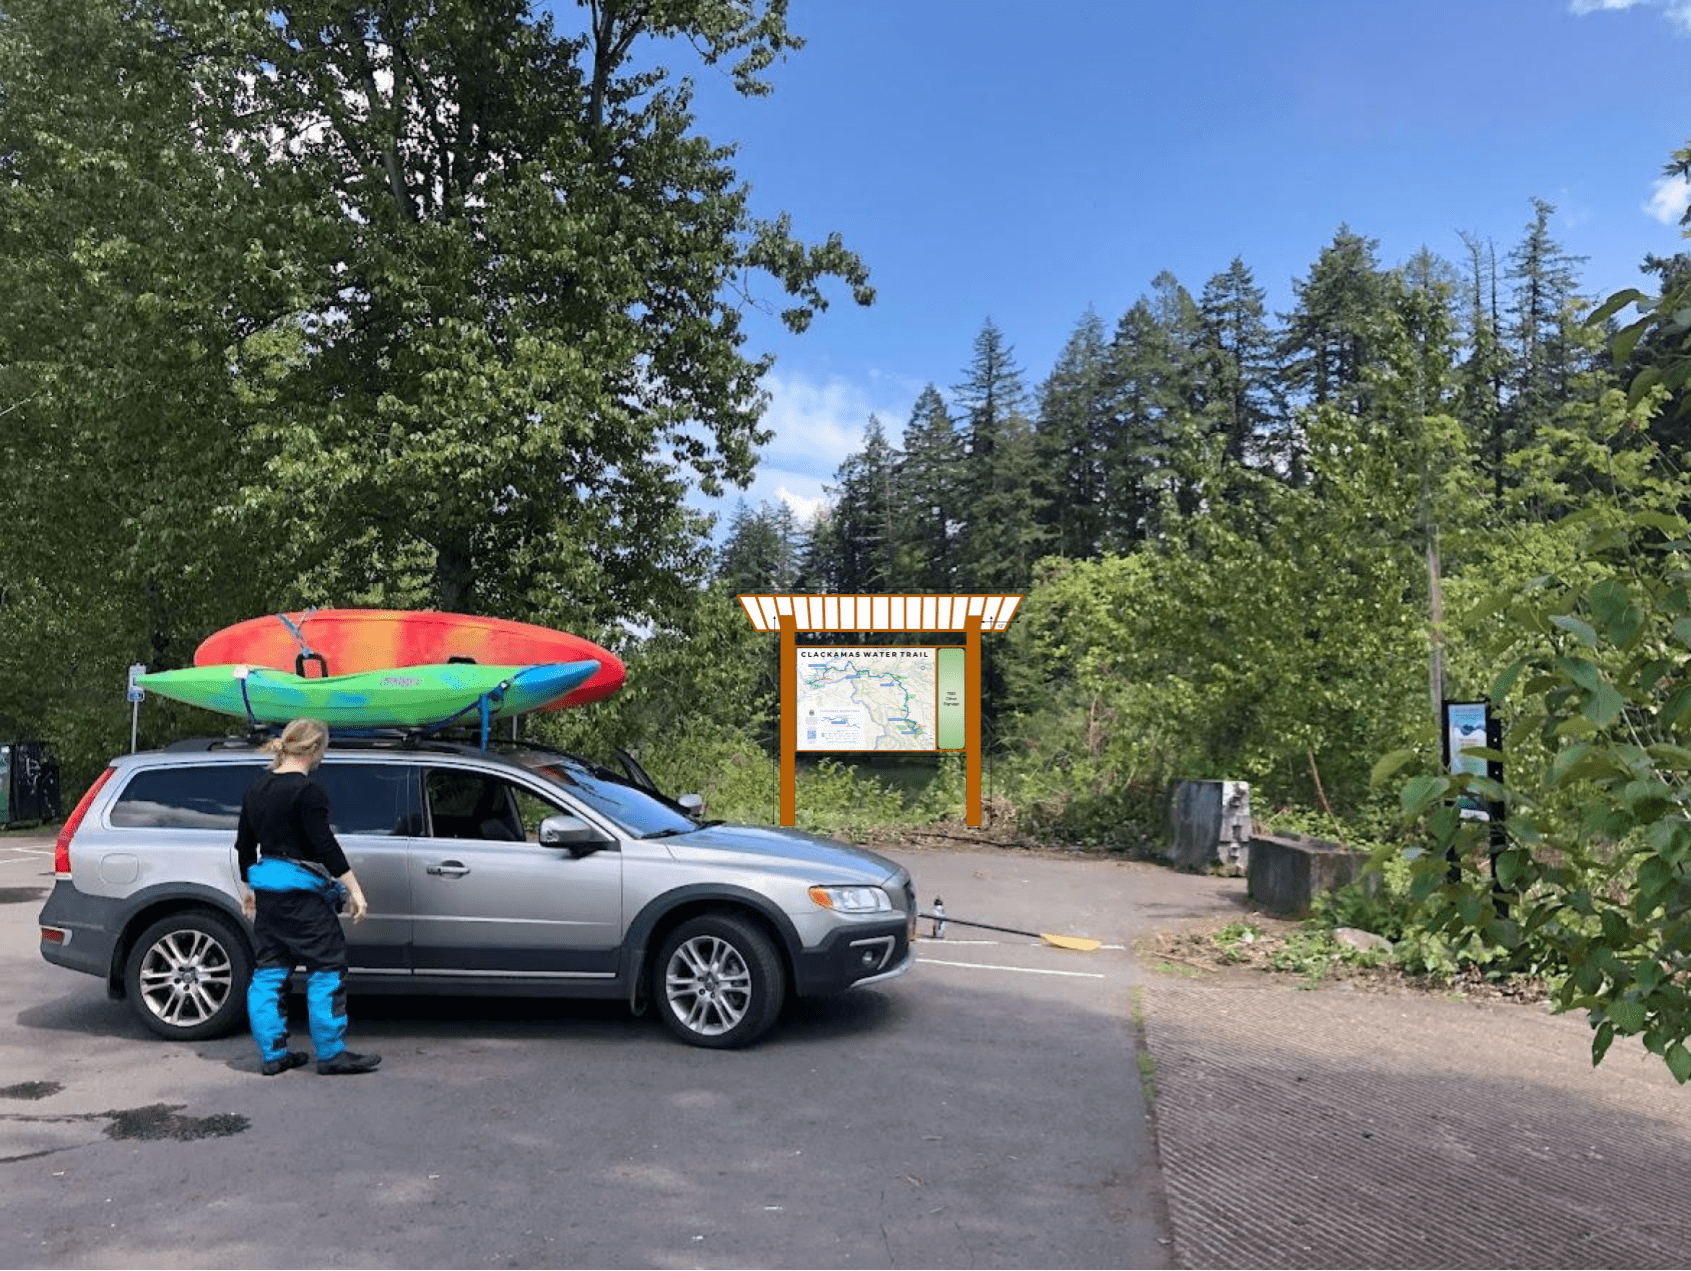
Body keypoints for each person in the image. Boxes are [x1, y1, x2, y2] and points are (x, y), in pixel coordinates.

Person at [234, 718, 381, 1076]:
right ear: (314, 749)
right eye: (324, 750)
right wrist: (355, 889)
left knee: (270, 973)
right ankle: (331, 1054)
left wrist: (248, 888)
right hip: (302, 898)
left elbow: (244, 846)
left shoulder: (256, 789)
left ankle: (273, 1055)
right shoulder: (308, 791)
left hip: (269, 894)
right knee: (326, 967)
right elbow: (323, 845)